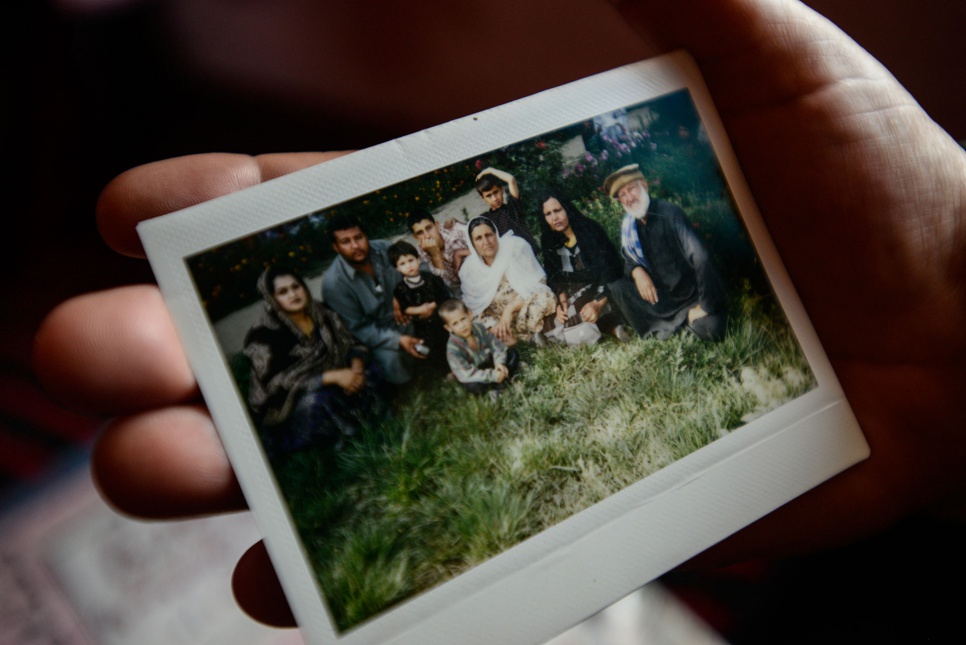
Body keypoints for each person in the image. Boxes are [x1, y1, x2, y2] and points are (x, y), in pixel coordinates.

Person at [30, 0, 966, 629]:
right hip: (486, 336)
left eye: (493, 223)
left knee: (564, 327)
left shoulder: (553, 238)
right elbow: (464, 303)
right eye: (475, 233)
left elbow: (540, 280)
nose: (483, 237)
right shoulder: (455, 268)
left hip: (608, 329)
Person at [243, 266, 381, 458]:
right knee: (317, 401)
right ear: (271, 299)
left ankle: (364, 415)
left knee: (373, 369)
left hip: (340, 381)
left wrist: (356, 368)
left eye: (296, 286)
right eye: (283, 292)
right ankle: (340, 440)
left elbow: (350, 342)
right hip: (291, 406)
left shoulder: (322, 312)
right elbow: (276, 384)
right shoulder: (261, 335)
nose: (293, 294)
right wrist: (332, 376)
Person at [604, 163, 728, 341]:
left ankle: (672, 329)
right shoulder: (630, 226)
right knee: (618, 288)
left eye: (631, 189)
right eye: (622, 195)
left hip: (692, 298)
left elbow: (702, 258)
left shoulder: (670, 213)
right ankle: (670, 329)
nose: (629, 198)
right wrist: (637, 271)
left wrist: (705, 306)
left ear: (644, 185)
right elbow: (629, 259)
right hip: (662, 301)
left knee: (711, 329)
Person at [321, 213, 427, 385]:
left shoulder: (384, 249)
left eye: (358, 237)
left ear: (366, 235)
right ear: (336, 247)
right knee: (393, 361)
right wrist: (397, 340)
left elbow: (417, 269)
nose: (355, 246)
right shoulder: (334, 284)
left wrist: (401, 296)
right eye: (345, 242)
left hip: (410, 313)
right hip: (379, 333)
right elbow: (359, 328)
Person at [537, 187, 630, 343]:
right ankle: (609, 326)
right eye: (548, 214)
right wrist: (562, 300)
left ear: (567, 208)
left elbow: (611, 267)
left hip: (600, 287)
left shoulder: (589, 229)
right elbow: (553, 275)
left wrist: (597, 303)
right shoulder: (548, 239)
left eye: (558, 210)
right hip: (572, 291)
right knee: (555, 319)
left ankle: (609, 325)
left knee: (577, 315)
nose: (555, 217)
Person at [458, 216, 555, 346]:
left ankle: (526, 336)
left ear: (496, 234)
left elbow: (540, 283)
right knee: (475, 326)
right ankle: (525, 337)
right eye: (479, 238)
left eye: (489, 235)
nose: (486, 241)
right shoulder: (469, 270)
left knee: (546, 297)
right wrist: (495, 328)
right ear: (472, 244)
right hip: (500, 323)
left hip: (527, 308)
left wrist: (510, 308)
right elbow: (475, 310)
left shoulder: (515, 247)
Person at [388, 240, 452, 373]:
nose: (408, 266)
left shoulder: (430, 278)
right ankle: (444, 370)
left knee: (446, 341)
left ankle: (456, 361)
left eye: (411, 260)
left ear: (418, 259)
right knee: (432, 347)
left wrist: (432, 306)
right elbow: (405, 307)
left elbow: (442, 295)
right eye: (402, 264)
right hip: (422, 326)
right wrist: (419, 310)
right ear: (397, 268)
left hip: (440, 319)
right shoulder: (401, 289)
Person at [439, 299, 519, 397]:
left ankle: (502, 377)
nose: (462, 326)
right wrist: (492, 375)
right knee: (473, 385)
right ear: (448, 328)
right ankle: (497, 385)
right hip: (476, 372)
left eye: (463, 319)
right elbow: (466, 373)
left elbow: (496, 345)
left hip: (488, 363)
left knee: (512, 353)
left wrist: (499, 363)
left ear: (470, 315)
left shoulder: (479, 328)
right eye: (455, 323)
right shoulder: (453, 348)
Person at [474, 167, 540, 252]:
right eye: (488, 196)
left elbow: (511, 179)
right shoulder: (486, 218)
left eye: (496, 192)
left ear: (502, 189)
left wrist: (490, 170)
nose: (494, 198)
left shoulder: (512, 206)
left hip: (528, 252)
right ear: (483, 198)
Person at [406, 208, 470, 290]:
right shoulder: (419, 257)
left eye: (429, 228)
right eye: (420, 233)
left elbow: (488, 247)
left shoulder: (455, 231)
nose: (427, 236)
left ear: (437, 226)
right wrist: (435, 255)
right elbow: (443, 288)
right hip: (458, 290)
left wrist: (460, 253)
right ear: (415, 237)